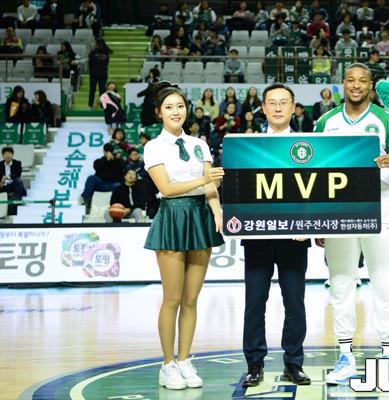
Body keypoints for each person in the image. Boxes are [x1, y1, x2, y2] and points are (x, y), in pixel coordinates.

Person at [313, 63, 389, 384]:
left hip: (380, 209)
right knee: (341, 283)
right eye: (351, 80)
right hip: (339, 213)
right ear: (343, 84)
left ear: (371, 86)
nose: (356, 85)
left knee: (385, 284)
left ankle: (388, 355)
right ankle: (345, 356)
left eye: (362, 81)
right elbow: (314, 174)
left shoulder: (387, 122)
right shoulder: (326, 123)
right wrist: (319, 220)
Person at [143, 82, 224, 389]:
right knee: (173, 298)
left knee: (191, 299)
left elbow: (210, 184)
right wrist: (203, 180)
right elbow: (166, 188)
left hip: (200, 217)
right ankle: (167, 365)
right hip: (173, 216)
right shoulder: (154, 147)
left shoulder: (199, 144)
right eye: (169, 107)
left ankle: (185, 359)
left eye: (179, 106)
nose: (176, 112)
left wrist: (217, 210)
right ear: (159, 113)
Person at [241, 84, 311, 388]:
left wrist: (309, 226)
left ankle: (294, 363)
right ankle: (254, 364)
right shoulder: (249, 146)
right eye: (273, 103)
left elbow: (316, 192)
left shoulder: (309, 146)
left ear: (294, 107)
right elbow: (240, 190)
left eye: (284, 102)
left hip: (294, 238)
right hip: (258, 236)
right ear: (264, 108)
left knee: (294, 303)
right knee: (255, 303)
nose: (278, 107)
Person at [81, 143, 124, 209]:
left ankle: (119, 205)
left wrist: (113, 160)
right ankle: (87, 201)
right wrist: (106, 159)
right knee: (91, 178)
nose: (108, 153)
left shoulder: (119, 161)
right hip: (101, 184)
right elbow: (98, 168)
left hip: (113, 185)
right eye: (106, 151)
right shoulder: (98, 161)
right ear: (104, 152)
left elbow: (120, 170)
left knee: (120, 185)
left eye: (110, 151)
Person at [88, 39, 112, 110]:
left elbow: (90, 63)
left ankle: (100, 106)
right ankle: (91, 105)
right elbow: (90, 63)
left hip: (100, 74)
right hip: (96, 74)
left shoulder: (103, 53)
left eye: (96, 44)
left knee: (101, 91)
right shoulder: (94, 53)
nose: (95, 45)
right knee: (94, 90)